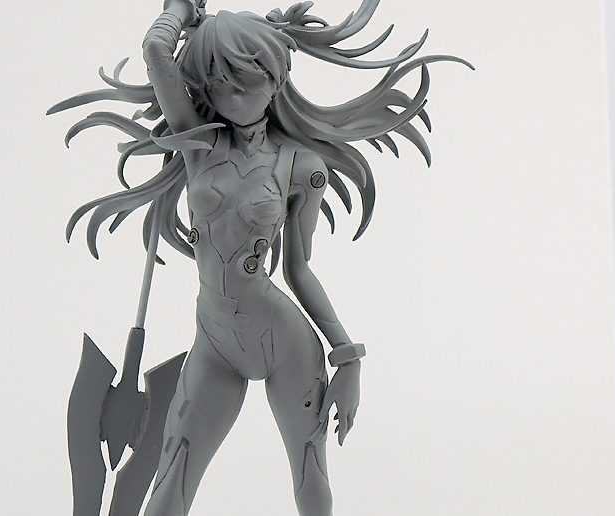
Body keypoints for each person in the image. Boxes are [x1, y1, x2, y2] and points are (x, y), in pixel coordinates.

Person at [50, 1, 470, 514]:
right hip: (214, 342)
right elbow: (156, 51)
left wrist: (347, 355)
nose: (231, 93)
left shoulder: (302, 167)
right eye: (216, 81)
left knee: (309, 473)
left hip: (284, 341)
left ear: (275, 78)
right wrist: (180, 10)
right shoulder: (198, 145)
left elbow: (299, 269)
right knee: (171, 483)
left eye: (245, 78)